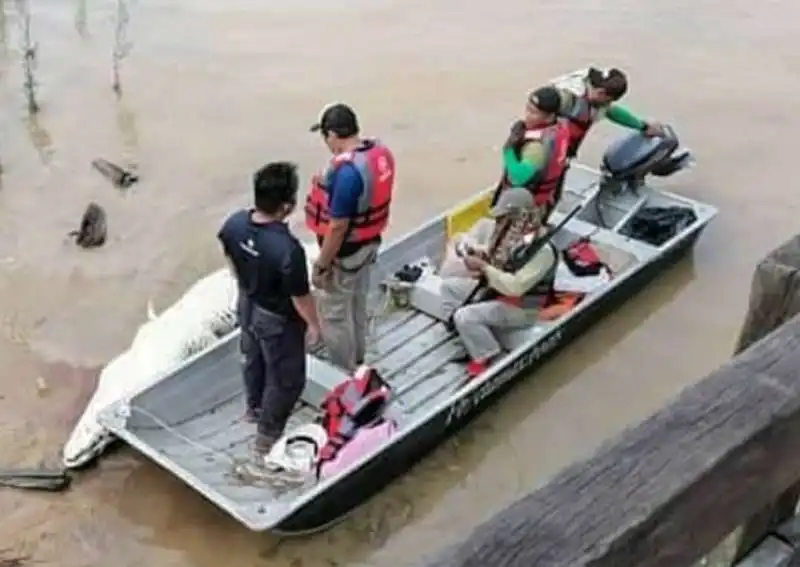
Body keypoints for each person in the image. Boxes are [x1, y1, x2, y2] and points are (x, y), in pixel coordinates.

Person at [217, 161, 322, 459]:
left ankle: (253, 408)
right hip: (277, 319)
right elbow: (300, 297)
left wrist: (245, 283)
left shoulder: (234, 224)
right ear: (287, 206)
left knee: (253, 357)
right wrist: (314, 325)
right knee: (287, 379)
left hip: (248, 303)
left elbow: (229, 256)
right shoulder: (288, 250)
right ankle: (265, 440)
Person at [305, 103, 396, 371]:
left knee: (334, 315)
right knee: (357, 301)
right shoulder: (379, 154)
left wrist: (322, 264)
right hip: (369, 245)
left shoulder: (346, 173)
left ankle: (343, 373)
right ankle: (358, 359)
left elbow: (337, 227)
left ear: (333, 135)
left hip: (345, 254)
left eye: (325, 136)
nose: (326, 143)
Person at [441, 188, 558, 378]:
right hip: (494, 292)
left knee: (465, 315)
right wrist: (481, 255)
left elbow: (515, 287)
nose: (501, 222)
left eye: (506, 217)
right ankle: (466, 337)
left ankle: (487, 355)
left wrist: (484, 268)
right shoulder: (513, 237)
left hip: (521, 307)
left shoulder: (542, 251)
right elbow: (502, 259)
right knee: (449, 288)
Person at [493, 86, 571, 227]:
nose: (527, 116)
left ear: (549, 116)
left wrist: (509, 149)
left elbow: (517, 178)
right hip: (546, 199)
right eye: (527, 109)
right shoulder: (559, 127)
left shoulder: (536, 148)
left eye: (533, 113)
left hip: (526, 210)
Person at [555, 67, 665, 159]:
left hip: (563, 152)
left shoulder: (595, 99)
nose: (606, 103)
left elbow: (611, 112)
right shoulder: (565, 96)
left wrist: (642, 126)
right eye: (606, 99)